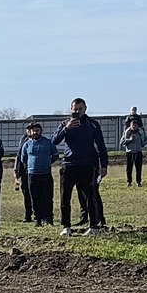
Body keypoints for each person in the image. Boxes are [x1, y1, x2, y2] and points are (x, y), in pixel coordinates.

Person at [53, 99, 109, 233]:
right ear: (71, 109)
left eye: (80, 109)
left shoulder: (93, 125)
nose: (77, 112)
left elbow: (101, 146)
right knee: (65, 197)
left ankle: (94, 226)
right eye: (75, 109)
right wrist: (66, 129)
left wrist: (104, 165)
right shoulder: (64, 124)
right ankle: (66, 226)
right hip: (69, 165)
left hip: (87, 165)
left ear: (85, 109)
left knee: (90, 196)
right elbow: (54, 141)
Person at [16, 121, 57, 225]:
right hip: (32, 175)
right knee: (34, 198)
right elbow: (23, 159)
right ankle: (37, 219)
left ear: (41, 131)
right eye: (33, 131)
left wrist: (47, 163)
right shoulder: (26, 144)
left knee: (47, 198)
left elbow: (55, 156)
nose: (35, 133)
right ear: (30, 132)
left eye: (37, 131)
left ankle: (48, 218)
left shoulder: (48, 143)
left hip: (46, 174)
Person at [120, 113, 147, 186]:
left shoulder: (140, 132)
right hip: (129, 152)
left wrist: (142, 143)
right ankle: (129, 182)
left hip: (138, 152)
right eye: (133, 125)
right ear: (130, 125)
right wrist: (129, 140)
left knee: (138, 168)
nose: (134, 126)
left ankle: (138, 182)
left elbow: (146, 141)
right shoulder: (127, 133)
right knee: (129, 169)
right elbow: (121, 143)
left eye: (135, 125)